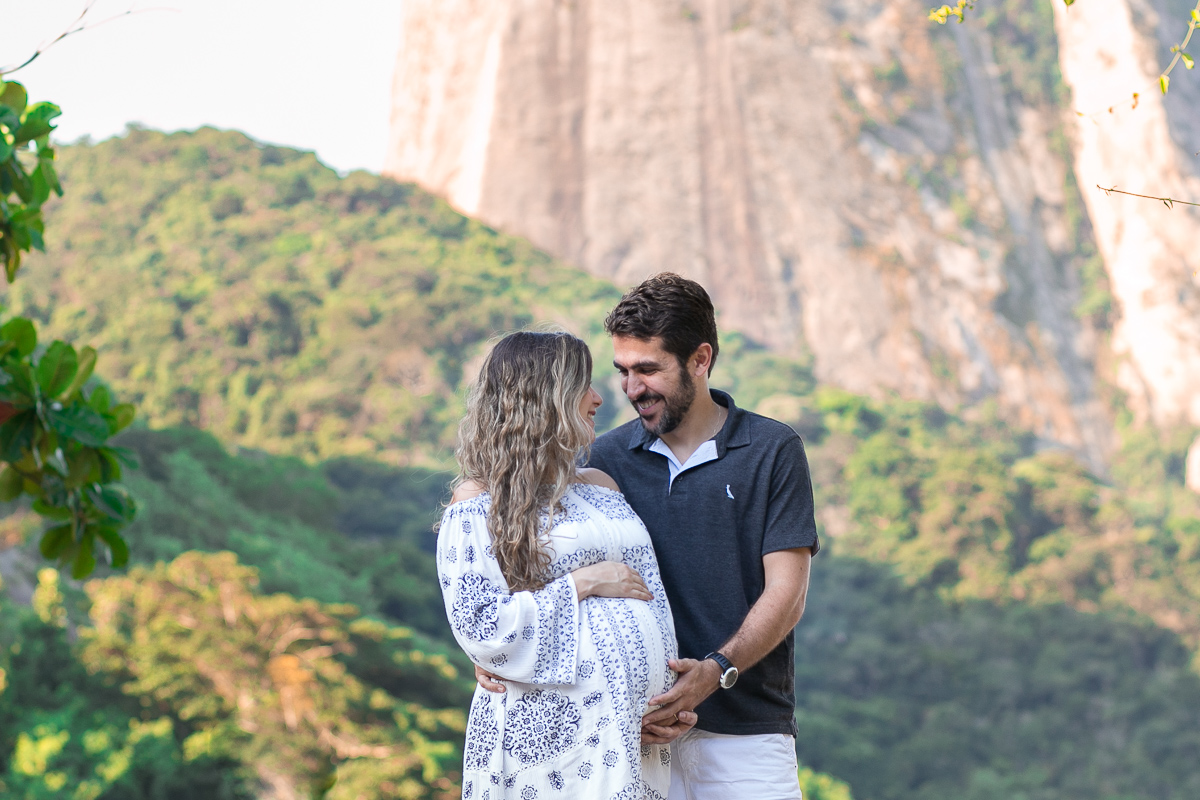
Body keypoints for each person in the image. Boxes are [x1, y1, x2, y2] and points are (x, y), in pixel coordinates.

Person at [481, 275, 819, 799]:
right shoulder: (601, 460)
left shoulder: (771, 449)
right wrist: (489, 655)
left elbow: (788, 592)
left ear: (700, 360)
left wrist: (715, 670)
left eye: (648, 369)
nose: (632, 388)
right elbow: (518, 566)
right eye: (622, 371)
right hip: (624, 737)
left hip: (744, 736)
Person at [435, 330, 697, 800]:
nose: (599, 398)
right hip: (550, 741)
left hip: (634, 739)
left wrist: (670, 697)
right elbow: (479, 624)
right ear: (544, 397)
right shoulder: (479, 500)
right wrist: (582, 583)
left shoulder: (601, 485)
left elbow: (650, 595)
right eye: (583, 387)